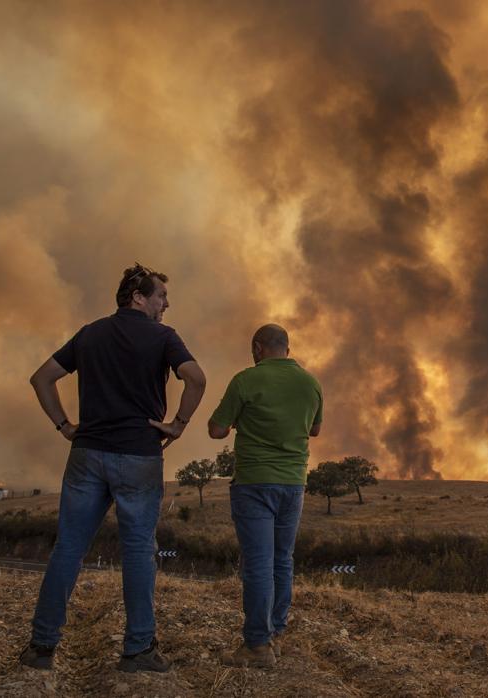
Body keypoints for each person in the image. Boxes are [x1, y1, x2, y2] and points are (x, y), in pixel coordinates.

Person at [20, 263, 206, 673]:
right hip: (139, 454)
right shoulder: (163, 337)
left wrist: (64, 425)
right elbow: (196, 379)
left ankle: (41, 648)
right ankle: (138, 651)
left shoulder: (90, 333)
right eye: (161, 297)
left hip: (87, 454)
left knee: (68, 548)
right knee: (138, 551)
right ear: (138, 297)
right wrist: (178, 425)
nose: (166, 305)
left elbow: (40, 378)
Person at [208, 324, 322, 668]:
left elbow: (216, 430)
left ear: (259, 348)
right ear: (286, 348)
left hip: (255, 482)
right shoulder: (310, 383)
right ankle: (276, 632)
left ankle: (258, 645)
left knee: (258, 563)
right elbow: (314, 429)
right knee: (282, 559)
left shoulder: (246, 380)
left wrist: (243, 420)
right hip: (292, 484)